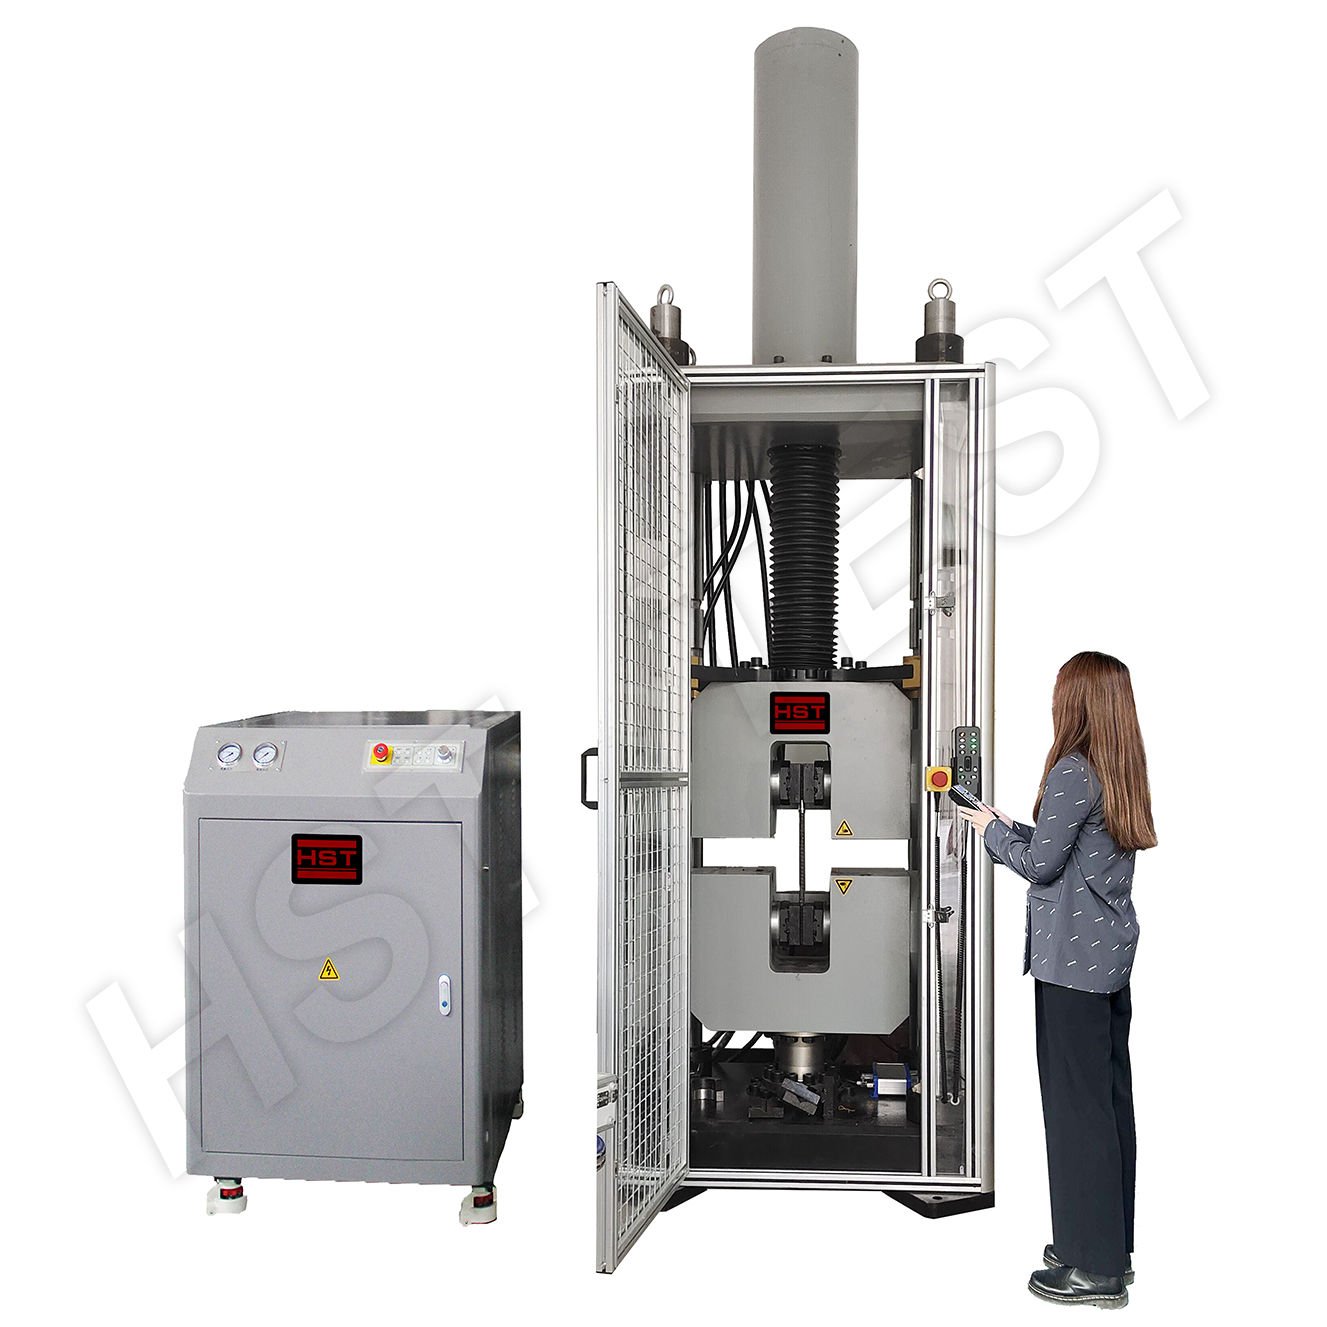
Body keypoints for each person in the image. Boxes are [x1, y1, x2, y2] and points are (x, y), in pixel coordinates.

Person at [956, 651, 1156, 1309]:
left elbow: (1040, 866)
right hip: (1105, 964)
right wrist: (1003, 821)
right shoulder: (1118, 766)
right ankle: (1104, 1247)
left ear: (1075, 701)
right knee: (1106, 1106)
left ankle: (1092, 1270)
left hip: (1069, 964)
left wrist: (991, 836)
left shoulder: (1073, 769)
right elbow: (1065, 848)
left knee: (1075, 1115)